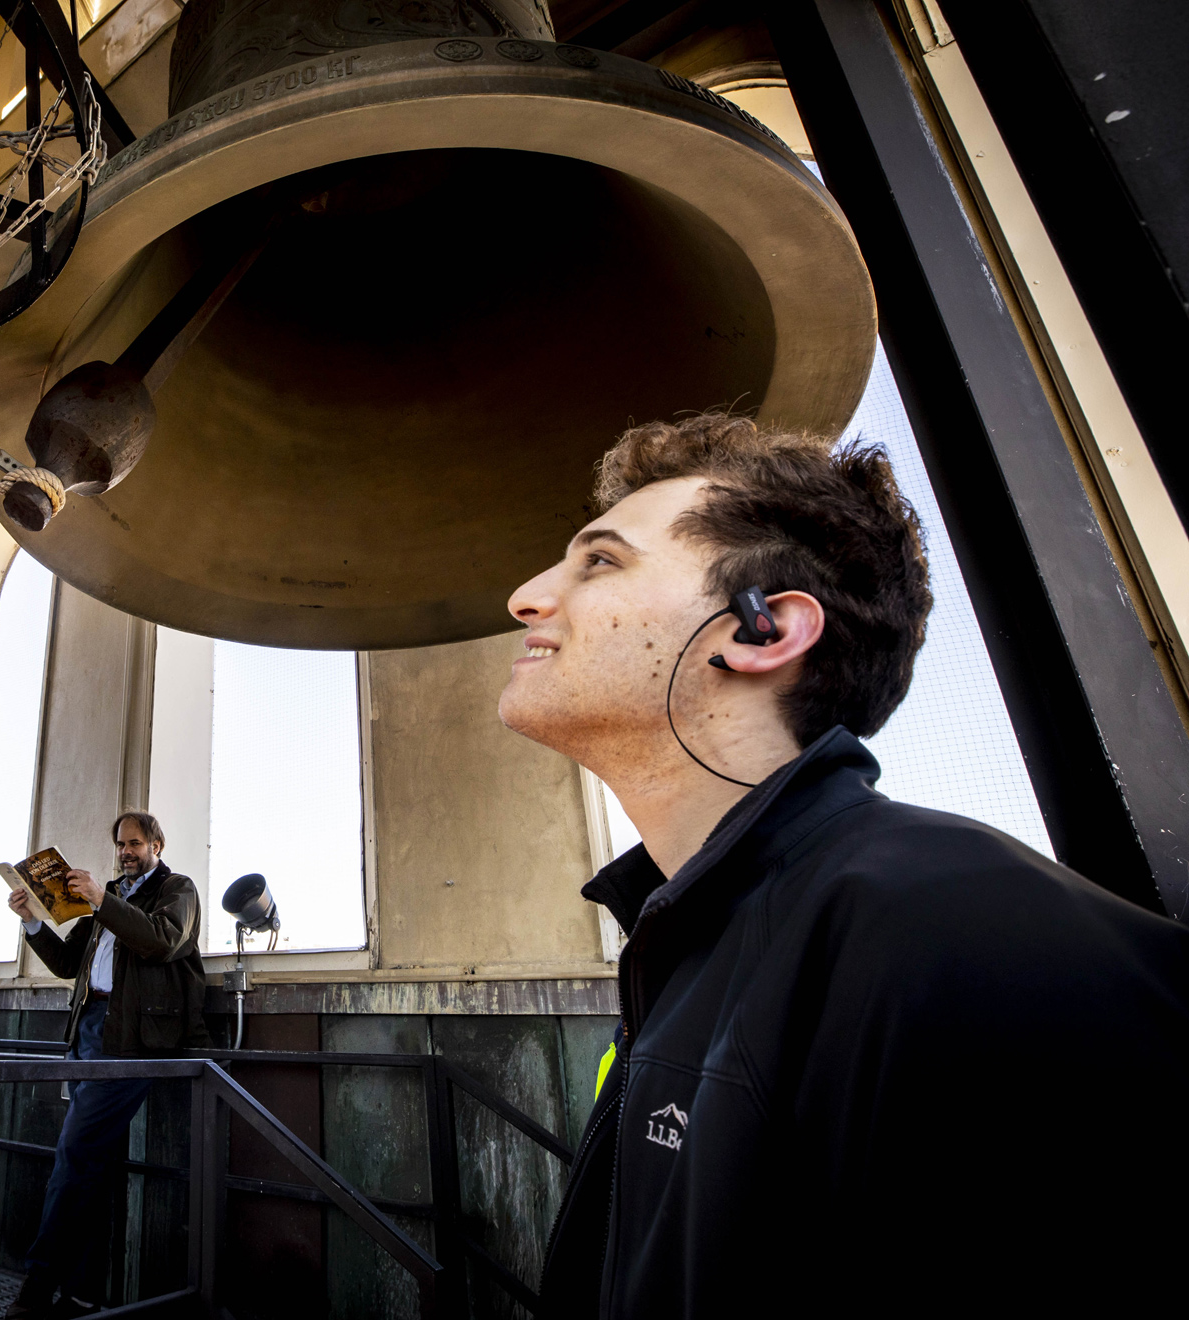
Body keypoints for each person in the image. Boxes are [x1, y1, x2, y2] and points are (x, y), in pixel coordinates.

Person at [500, 414, 1189, 1317]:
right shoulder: (688, 950)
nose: (524, 597)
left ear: (759, 630)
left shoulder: (947, 929)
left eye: (600, 562)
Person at [4, 810, 209, 1318]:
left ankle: (38, 1284)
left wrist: (101, 899)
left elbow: (161, 940)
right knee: (90, 1163)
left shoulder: (177, 889)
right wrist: (32, 919)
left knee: (74, 1156)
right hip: (88, 1032)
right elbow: (71, 964)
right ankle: (82, 1293)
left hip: (132, 1041)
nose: (126, 851)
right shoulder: (111, 893)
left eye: (136, 843)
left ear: (157, 845)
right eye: (121, 844)